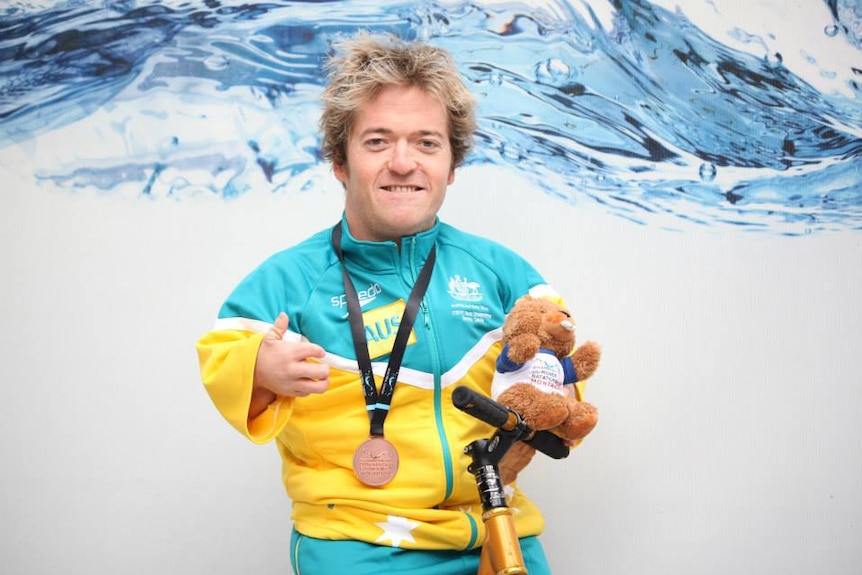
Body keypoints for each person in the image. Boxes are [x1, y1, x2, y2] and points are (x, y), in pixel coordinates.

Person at [196, 31, 587, 575]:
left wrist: (558, 393)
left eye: (427, 143)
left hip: (498, 523)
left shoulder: (499, 269)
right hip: (356, 539)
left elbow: (556, 346)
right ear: (340, 161)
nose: (404, 163)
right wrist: (259, 365)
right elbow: (223, 351)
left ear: (451, 165)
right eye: (377, 141)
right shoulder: (293, 276)